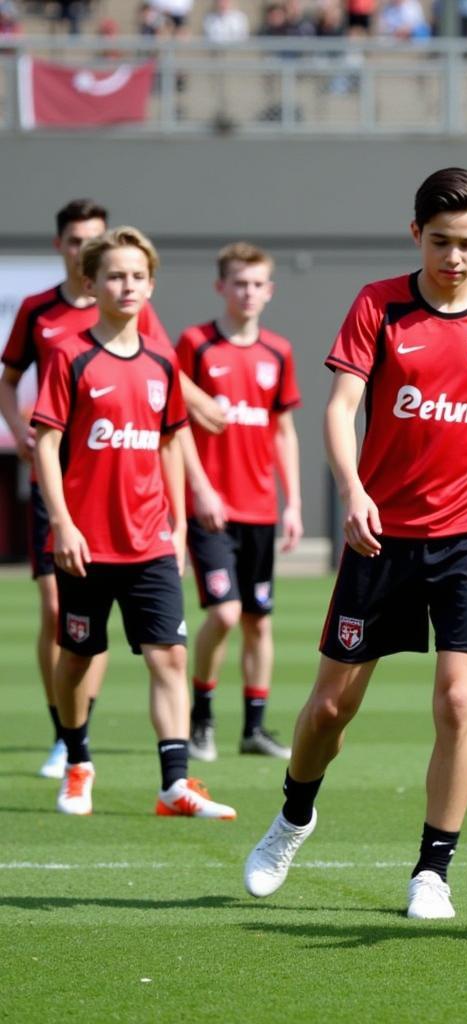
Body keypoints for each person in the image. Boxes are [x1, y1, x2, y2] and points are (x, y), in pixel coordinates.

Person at [244, 167, 467, 919]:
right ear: (416, 234)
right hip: (383, 537)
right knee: (326, 713)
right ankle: (293, 816)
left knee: (457, 702)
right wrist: (353, 490)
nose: (454, 258)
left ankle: (432, 872)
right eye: (440, 242)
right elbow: (341, 405)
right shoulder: (377, 306)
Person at [0, 198, 225, 781]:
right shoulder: (54, 335)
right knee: (70, 636)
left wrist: (179, 518)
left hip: (146, 529)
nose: (127, 285)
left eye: (137, 276)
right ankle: (72, 747)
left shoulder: (154, 350)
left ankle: (173, 781)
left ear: (150, 284)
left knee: (167, 654)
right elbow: (26, 404)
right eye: (114, 274)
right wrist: (33, 454)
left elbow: (171, 424)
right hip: (77, 515)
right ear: (83, 270)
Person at [177, 242, 302, 763]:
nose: (248, 292)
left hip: (260, 510)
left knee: (258, 620)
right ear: (220, 287)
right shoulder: (196, 345)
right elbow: (174, 419)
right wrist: (199, 487)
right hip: (211, 510)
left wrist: (293, 503)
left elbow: (284, 431)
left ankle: (253, 729)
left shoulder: (278, 351)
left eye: (257, 284)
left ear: (269, 291)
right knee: (225, 614)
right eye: (239, 283)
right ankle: (200, 717)